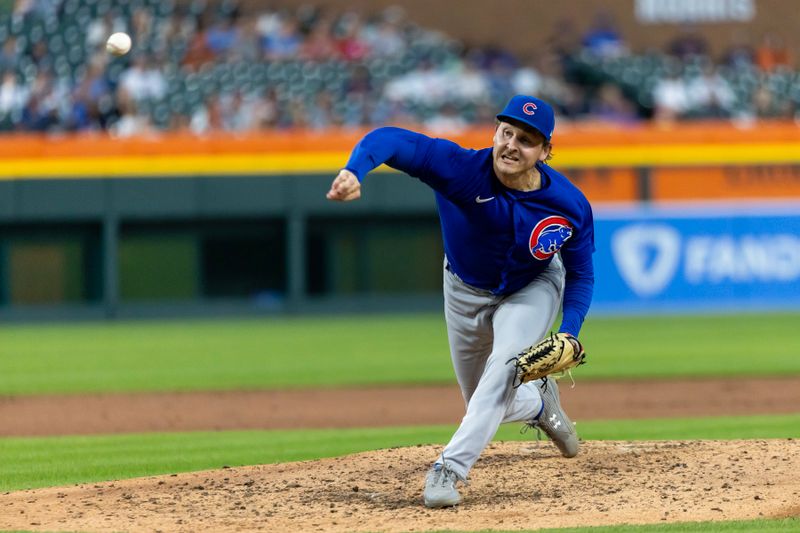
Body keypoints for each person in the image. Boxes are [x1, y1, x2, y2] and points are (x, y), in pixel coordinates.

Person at [326, 94, 594, 508]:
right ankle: (539, 402)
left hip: (533, 286)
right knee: (484, 400)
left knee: (502, 370)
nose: (511, 145)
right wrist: (354, 169)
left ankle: (448, 469)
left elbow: (581, 273)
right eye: (506, 133)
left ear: (545, 152)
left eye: (526, 140)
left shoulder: (569, 204)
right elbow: (390, 139)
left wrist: (570, 332)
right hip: (463, 290)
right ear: (495, 132)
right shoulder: (461, 169)